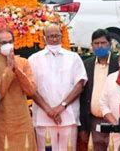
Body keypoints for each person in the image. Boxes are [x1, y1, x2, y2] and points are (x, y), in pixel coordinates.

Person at [28, 23, 87, 151]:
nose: (54, 39)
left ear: (61, 36)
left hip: (68, 116)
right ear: (44, 38)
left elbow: (80, 85)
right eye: (50, 36)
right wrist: (49, 110)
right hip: (44, 117)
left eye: (57, 36)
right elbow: (31, 88)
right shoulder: (34, 59)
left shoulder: (73, 57)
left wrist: (61, 107)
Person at [0, 28, 36, 150]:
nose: (8, 45)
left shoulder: (23, 62)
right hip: (0, 124)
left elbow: (31, 91)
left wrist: (17, 69)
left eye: (10, 41)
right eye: (4, 43)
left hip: (22, 121)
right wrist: (9, 70)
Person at [78, 29, 119, 151]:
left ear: (110, 44)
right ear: (92, 45)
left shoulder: (118, 63)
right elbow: (82, 96)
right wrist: (83, 127)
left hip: (115, 120)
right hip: (94, 121)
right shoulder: (86, 64)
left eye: (103, 43)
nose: (100, 46)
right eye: (96, 43)